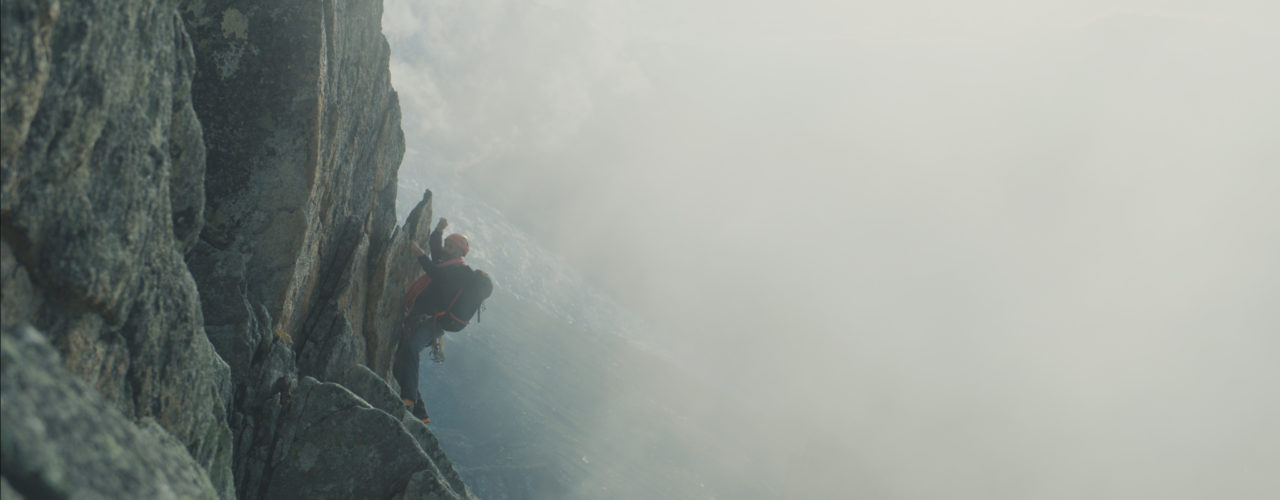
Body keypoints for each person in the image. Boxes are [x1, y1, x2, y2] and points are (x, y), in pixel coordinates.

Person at [393, 217, 472, 423]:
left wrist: (419, 254)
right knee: (401, 359)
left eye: (450, 246)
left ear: (460, 252)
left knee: (411, 348)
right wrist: (438, 230)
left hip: (433, 323)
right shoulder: (447, 263)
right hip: (425, 319)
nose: (445, 248)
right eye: (447, 244)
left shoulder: (460, 272)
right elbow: (436, 252)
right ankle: (420, 412)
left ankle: (409, 400)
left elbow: (437, 275)